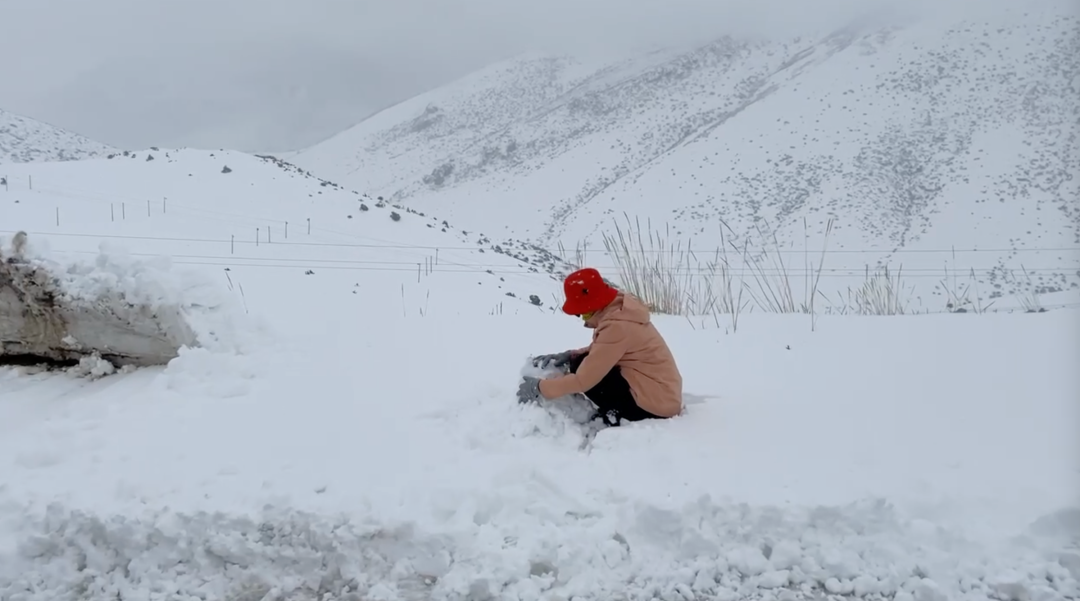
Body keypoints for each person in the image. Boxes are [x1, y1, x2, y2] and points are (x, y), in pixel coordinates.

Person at [517, 267, 684, 426]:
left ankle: (617, 415)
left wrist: (539, 388)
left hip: (656, 406)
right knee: (580, 361)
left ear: (596, 304)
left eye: (585, 313)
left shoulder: (617, 326)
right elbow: (606, 348)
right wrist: (570, 354)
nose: (583, 319)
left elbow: (583, 381)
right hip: (661, 394)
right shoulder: (621, 309)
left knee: (585, 370)